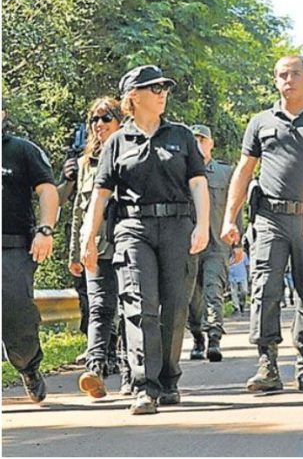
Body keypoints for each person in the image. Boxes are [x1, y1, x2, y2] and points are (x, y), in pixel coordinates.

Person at [81, 65, 210, 415]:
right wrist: (88, 237)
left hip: (177, 226)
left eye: (164, 87)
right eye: (154, 88)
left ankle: (169, 378)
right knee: (139, 306)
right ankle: (144, 386)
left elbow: (197, 183)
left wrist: (203, 226)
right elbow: (101, 194)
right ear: (133, 97)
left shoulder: (181, 135)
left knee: (174, 307)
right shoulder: (117, 142)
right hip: (133, 229)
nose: (162, 93)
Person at [220, 55, 303, 393]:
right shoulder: (261, 122)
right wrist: (230, 217)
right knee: (265, 287)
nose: (289, 80)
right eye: (283, 75)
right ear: (275, 81)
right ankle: (267, 363)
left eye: (296, 74)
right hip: (269, 218)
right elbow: (244, 170)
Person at [68, 97, 131, 398]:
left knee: (132, 307)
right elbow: (79, 212)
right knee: (100, 308)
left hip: (129, 242)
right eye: (94, 119)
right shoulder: (85, 164)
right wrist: (75, 251)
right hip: (96, 246)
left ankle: (132, 370)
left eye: (106, 118)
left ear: (120, 120)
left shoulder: (132, 154)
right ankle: (95, 367)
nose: (99, 124)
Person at [2, 99, 59, 403]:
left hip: (11, 247)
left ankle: (28, 365)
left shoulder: (21, 150)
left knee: (15, 316)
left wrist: (46, 229)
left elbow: (47, 190)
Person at [186, 124, 234, 363]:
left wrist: (239, 242)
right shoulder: (181, 172)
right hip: (189, 245)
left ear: (211, 143)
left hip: (218, 243)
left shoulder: (225, 173)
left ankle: (214, 337)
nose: (198, 144)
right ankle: (197, 336)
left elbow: (233, 208)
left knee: (213, 291)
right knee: (191, 298)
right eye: (194, 140)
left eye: (202, 140)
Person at [227, 248, 249, 315]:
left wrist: (249, 275)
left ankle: (242, 304)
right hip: (232, 277)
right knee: (234, 293)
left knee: (244, 291)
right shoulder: (228, 256)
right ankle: (236, 307)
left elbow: (247, 265)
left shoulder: (243, 254)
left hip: (242, 276)